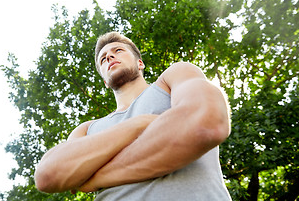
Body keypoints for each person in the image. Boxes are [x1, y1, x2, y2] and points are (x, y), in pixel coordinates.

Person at [34, 31, 232, 200]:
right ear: (104, 81)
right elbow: (48, 175)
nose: (109, 57)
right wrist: (139, 124)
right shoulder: (87, 129)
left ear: (140, 63)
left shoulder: (173, 77)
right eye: (103, 59)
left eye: (118, 50)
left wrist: (96, 178)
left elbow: (206, 123)